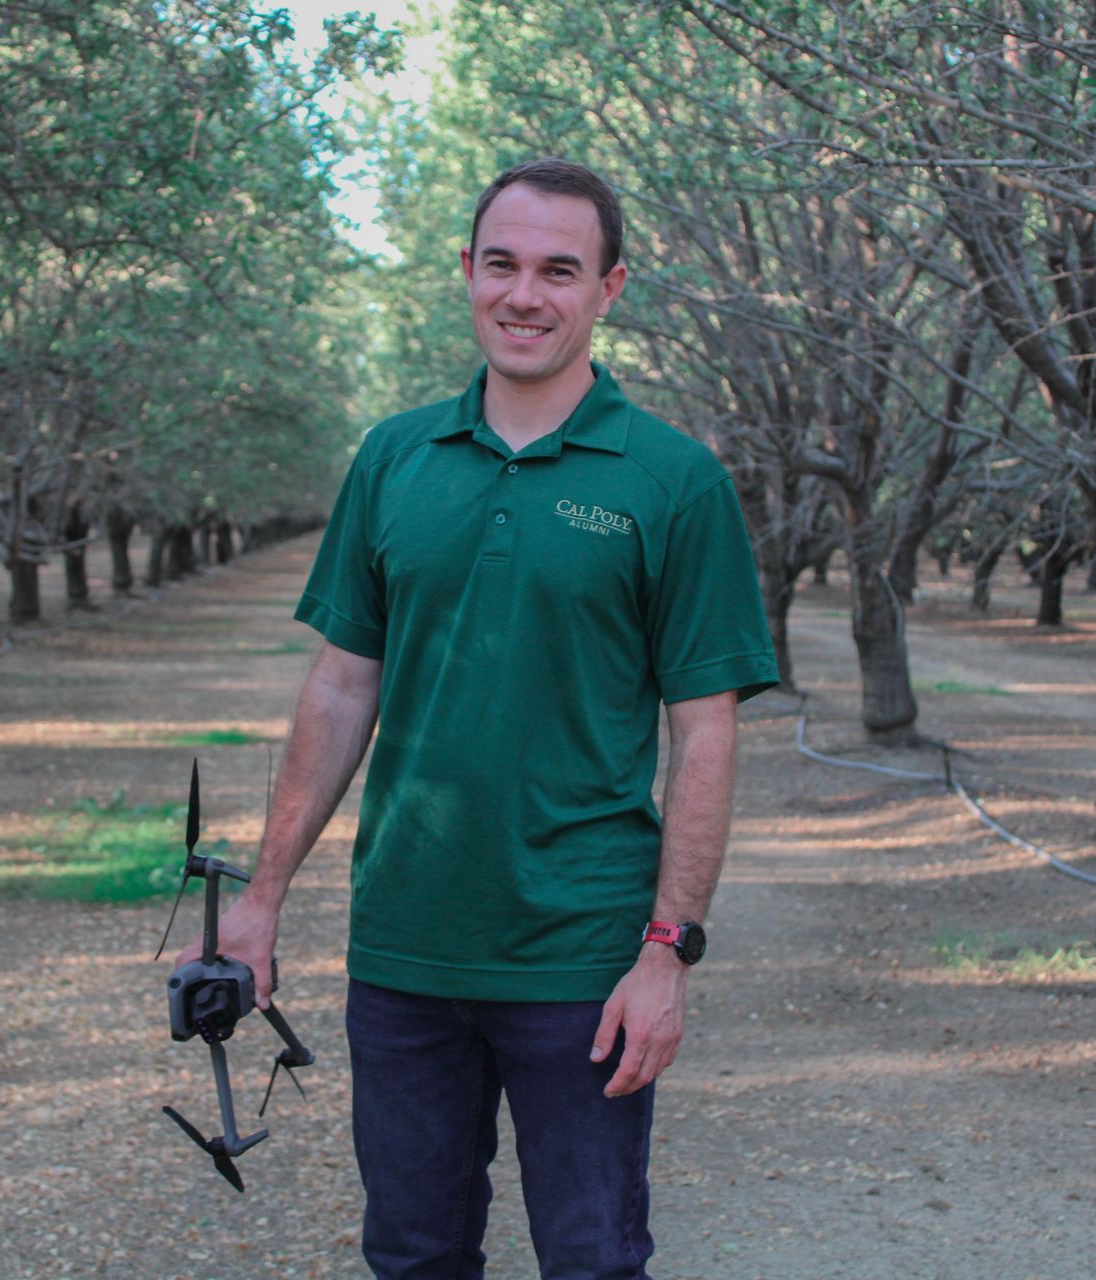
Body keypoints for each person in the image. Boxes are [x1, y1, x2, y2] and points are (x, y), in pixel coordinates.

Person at [195, 157, 778, 1279]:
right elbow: (339, 685)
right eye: (501, 263)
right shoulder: (395, 458)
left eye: (560, 269)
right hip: (405, 947)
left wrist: (668, 951)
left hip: (583, 957)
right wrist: (260, 899)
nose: (525, 293)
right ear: (466, 272)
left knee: (593, 1257)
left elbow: (705, 730)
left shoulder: (674, 480)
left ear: (611, 288)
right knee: (412, 1252)